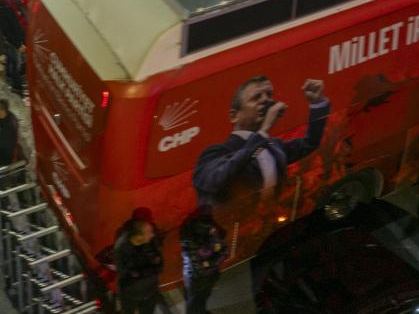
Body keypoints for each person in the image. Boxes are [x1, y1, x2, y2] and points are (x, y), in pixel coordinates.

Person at [192, 76, 329, 206]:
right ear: (234, 116)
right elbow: (217, 179)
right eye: (256, 97)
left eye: (269, 95)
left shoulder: (275, 146)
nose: (266, 100)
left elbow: (310, 142)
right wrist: (263, 131)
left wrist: (317, 103)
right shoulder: (216, 152)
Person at [179, 204, 228, 314]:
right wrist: (216, 258)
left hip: (209, 276)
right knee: (193, 304)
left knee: (202, 299)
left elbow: (225, 251)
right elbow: (201, 267)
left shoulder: (211, 231)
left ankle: (201, 311)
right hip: (196, 279)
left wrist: (210, 262)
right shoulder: (190, 239)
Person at [113, 217, 165, 314]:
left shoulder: (151, 242)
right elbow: (127, 275)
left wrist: (141, 272)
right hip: (130, 295)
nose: (152, 235)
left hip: (151, 291)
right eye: (149, 232)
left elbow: (160, 266)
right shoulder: (122, 248)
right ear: (138, 236)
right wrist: (150, 268)